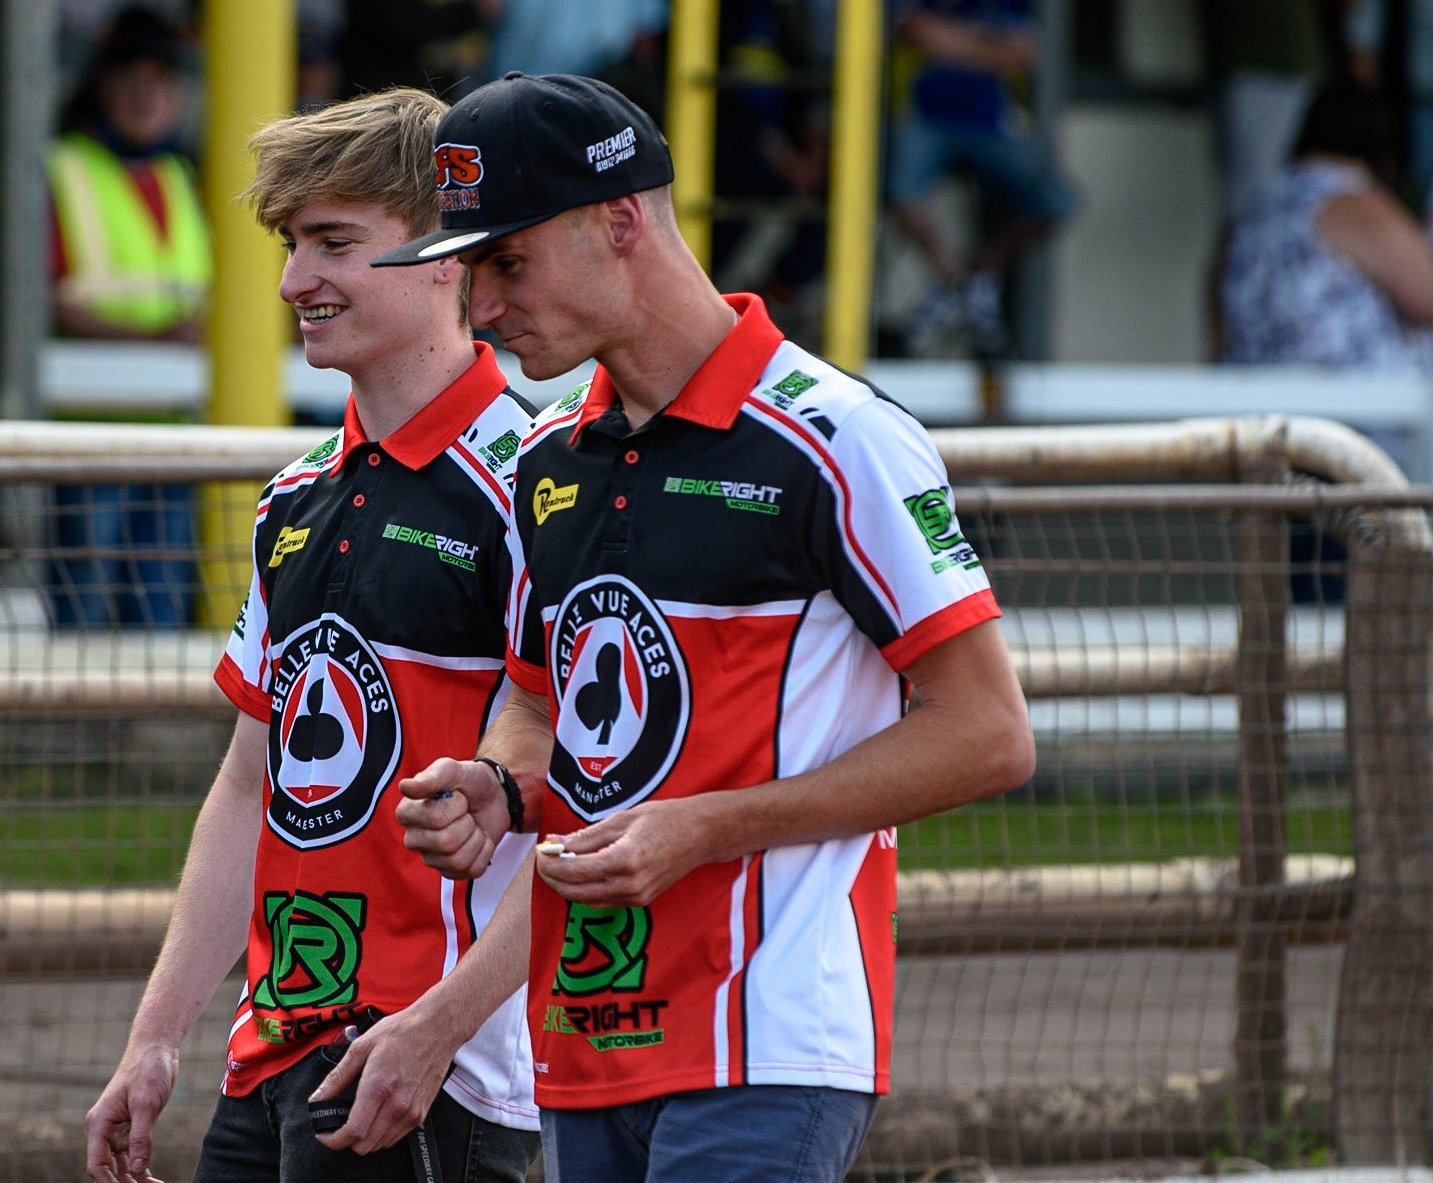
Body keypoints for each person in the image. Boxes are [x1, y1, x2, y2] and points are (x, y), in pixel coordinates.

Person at [374, 73, 1035, 1183]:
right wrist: (503, 786)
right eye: (467, 269)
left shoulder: (835, 439)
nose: (479, 306)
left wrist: (701, 828)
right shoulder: (545, 461)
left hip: (766, 1037)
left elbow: (986, 734)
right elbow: (541, 703)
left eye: (507, 263)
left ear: (619, 219)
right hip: (583, 1040)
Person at [82, 87, 541, 1183]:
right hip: (273, 1049)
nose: (295, 281)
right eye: (292, 245)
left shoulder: (536, 488)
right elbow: (251, 781)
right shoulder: (291, 497)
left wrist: (438, 1026)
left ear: (447, 255)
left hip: (436, 1068)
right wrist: (154, 1037)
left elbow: (601, 803)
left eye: (335, 242)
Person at [46, 5, 207, 628]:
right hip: (90, 429)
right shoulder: (65, 169)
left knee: (159, 602)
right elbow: (48, 302)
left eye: (161, 83)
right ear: (104, 88)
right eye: (133, 81)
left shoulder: (178, 175)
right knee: (83, 607)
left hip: (174, 429)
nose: (148, 97)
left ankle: (151, 730)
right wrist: (159, 339)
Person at [884, 0, 1073, 357]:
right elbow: (915, 32)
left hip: (990, 125)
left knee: (1055, 203)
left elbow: (1022, 54)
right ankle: (953, 284)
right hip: (924, 115)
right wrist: (988, 46)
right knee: (900, 191)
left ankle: (969, 281)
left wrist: (947, 40)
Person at [1219, 82, 1433, 372]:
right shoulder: (1347, 199)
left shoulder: (1257, 206)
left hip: (1261, 394)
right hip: (1353, 405)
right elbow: (1428, 298)